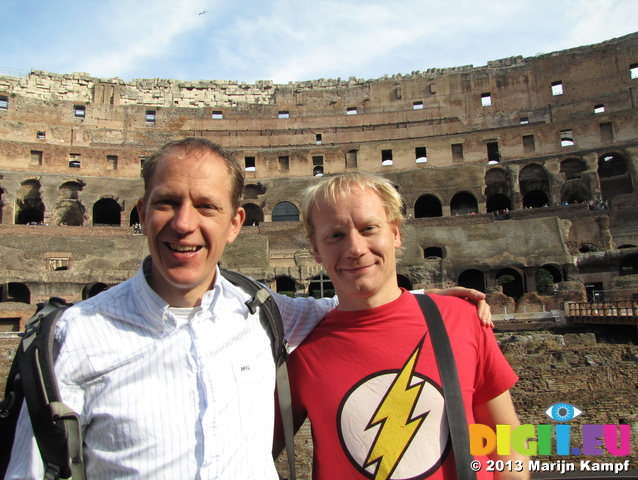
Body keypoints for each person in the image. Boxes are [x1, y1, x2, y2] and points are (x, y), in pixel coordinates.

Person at [5, 139, 491, 480]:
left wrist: (430, 302)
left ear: (236, 223)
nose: (184, 224)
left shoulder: (266, 313)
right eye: (167, 203)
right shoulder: (72, 336)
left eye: (206, 207)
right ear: (141, 212)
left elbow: (511, 438)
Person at [276, 173, 528, 480]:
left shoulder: (462, 319)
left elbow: (506, 436)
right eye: (335, 236)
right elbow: (249, 454)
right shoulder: (300, 350)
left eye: (369, 228)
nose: (355, 248)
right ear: (315, 249)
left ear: (395, 233)